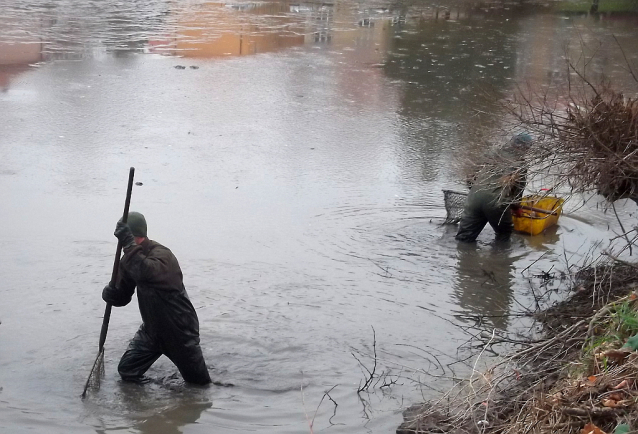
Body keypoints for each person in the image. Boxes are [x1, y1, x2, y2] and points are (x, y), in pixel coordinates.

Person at [102, 212, 212, 385]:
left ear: (136, 236)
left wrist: (129, 246)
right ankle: (157, 394)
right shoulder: (129, 260)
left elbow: (147, 272)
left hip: (179, 331)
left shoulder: (163, 255)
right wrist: (111, 294)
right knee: (127, 371)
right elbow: (123, 296)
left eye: (127, 238)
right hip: (151, 331)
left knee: (200, 385)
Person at [455, 134, 532, 243]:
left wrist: (477, 193)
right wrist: (516, 207)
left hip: (474, 199)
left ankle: (463, 258)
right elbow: (518, 190)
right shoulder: (520, 164)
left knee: (464, 238)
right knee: (504, 235)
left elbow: (470, 177)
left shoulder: (491, 153)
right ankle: (498, 258)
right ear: (524, 147)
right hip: (496, 203)